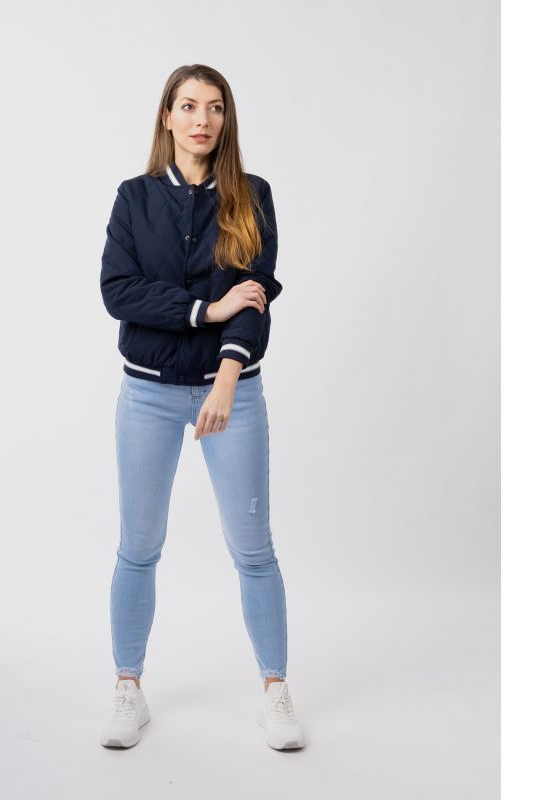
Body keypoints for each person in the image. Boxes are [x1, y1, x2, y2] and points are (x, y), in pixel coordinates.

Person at [98, 64, 305, 751]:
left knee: (254, 550)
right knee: (138, 547)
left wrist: (226, 376)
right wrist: (205, 310)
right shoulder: (134, 198)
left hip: (231, 393)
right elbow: (119, 291)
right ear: (167, 115)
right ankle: (128, 686)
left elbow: (255, 293)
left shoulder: (252, 195)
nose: (202, 120)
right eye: (188, 106)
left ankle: (275, 691)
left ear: (226, 119)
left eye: (214, 108)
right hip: (148, 395)